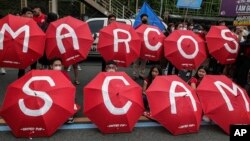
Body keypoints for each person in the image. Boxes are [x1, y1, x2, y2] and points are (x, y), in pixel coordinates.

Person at [49, 58, 76, 123]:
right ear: (51, 66)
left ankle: (68, 115)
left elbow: (70, 86)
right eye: (56, 65)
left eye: (59, 65)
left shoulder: (64, 74)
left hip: (62, 94)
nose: (58, 67)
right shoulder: (47, 74)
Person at [18, 7, 35, 78]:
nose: (31, 15)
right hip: (22, 47)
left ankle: (33, 80)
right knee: (22, 66)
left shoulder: (34, 23)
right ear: (23, 15)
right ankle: (20, 79)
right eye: (28, 13)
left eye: (31, 14)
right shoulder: (19, 23)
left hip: (32, 47)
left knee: (33, 65)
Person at [132, 13, 148, 79]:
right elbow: (133, 34)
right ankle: (135, 75)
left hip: (145, 47)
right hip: (138, 47)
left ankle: (142, 74)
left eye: (146, 18)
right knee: (136, 62)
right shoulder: (137, 27)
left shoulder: (149, 27)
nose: (144, 19)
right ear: (141, 19)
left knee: (143, 63)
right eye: (143, 18)